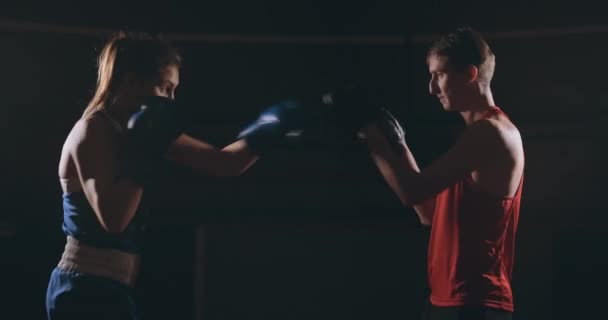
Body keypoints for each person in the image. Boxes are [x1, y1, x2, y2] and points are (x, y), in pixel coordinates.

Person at [46, 31, 310, 320]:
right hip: (83, 287)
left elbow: (223, 163)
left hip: (111, 287)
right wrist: (145, 150)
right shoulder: (93, 130)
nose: (170, 100)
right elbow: (114, 219)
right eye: (165, 88)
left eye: (174, 91)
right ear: (132, 81)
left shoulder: (142, 131)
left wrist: (275, 124)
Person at [331, 27, 525, 320]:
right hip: (448, 299)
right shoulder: (475, 137)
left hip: (475, 302)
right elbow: (429, 213)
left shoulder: (491, 132)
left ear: (470, 74)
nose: (431, 89)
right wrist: (398, 144)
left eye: (439, 75)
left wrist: (372, 133)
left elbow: (410, 191)